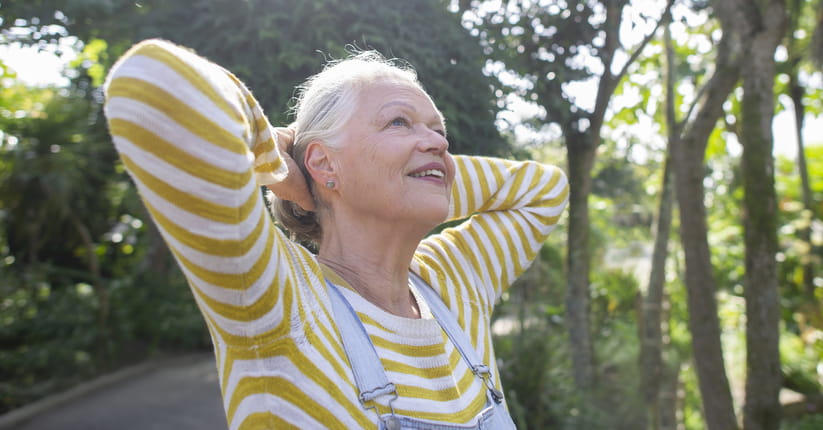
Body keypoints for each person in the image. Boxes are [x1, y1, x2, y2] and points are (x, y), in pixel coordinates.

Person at [103, 39, 569, 430]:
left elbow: (545, 189)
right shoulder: (276, 300)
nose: (440, 142)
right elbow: (150, 83)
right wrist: (277, 163)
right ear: (324, 162)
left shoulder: (451, 283)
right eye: (399, 122)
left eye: (438, 130)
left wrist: (410, 172)